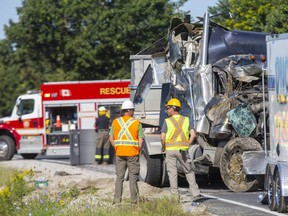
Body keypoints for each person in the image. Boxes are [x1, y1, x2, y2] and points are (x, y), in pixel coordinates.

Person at [160, 98, 201, 204]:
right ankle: (195, 193)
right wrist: (188, 144)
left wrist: (163, 146)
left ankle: (175, 197)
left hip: (170, 150)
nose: (167, 110)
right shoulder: (186, 120)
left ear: (173, 109)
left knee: (172, 173)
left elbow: (162, 137)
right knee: (189, 171)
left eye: (168, 108)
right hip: (183, 150)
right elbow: (193, 134)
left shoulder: (167, 121)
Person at [109, 100, 144, 204]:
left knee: (119, 178)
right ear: (129, 111)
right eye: (132, 110)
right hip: (133, 154)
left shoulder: (115, 122)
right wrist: (137, 150)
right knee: (133, 178)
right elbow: (140, 140)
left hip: (119, 154)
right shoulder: (137, 123)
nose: (133, 112)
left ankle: (116, 201)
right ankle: (134, 202)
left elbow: (111, 138)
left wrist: (117, 147)